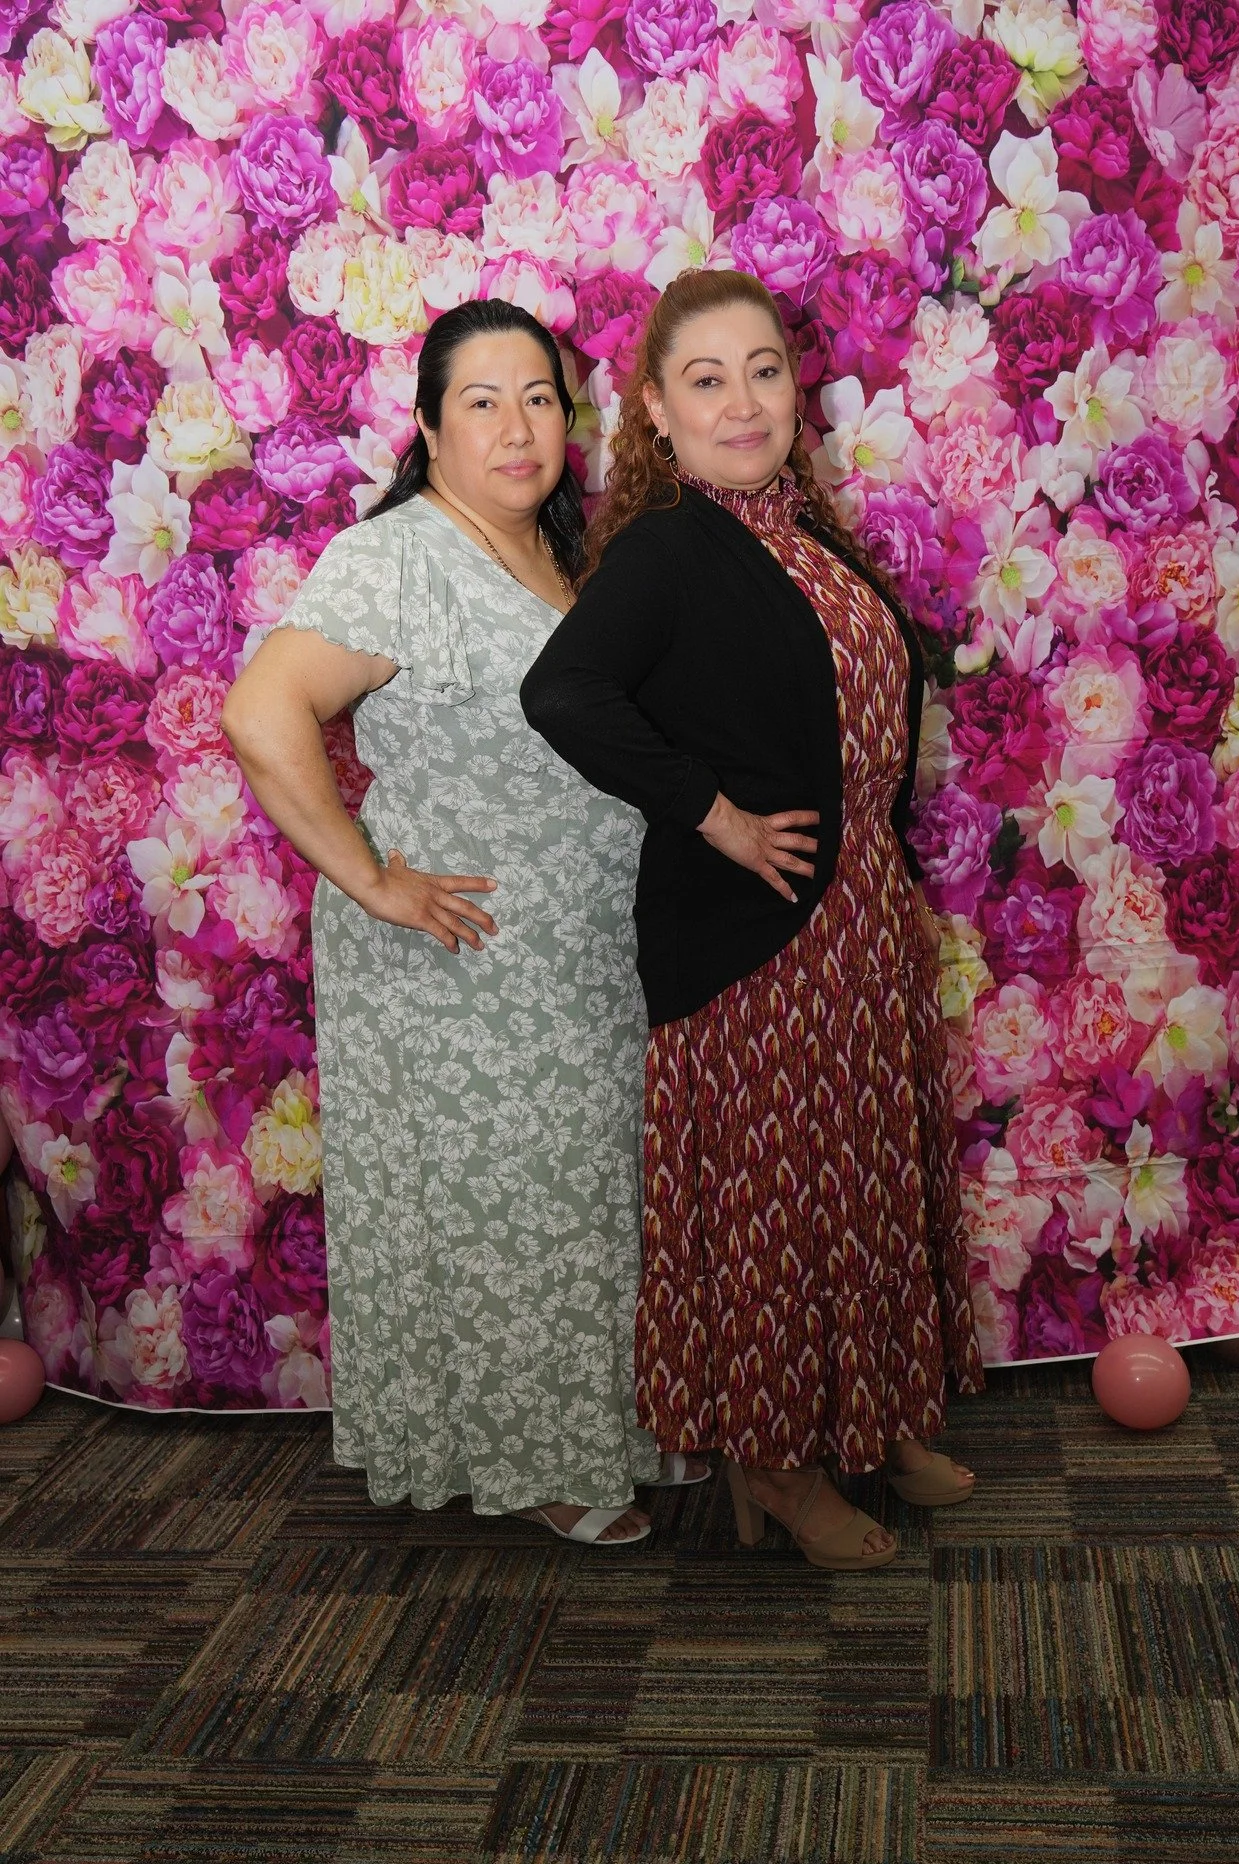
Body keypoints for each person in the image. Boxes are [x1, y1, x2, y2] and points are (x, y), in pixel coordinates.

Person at [222, 301, 706, 1545]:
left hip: (588, 952)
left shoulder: (573, 554)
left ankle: (613, 1425)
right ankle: (539, 1458)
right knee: (514, 1207)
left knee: (594, 1199)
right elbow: (262, 715)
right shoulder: (398, 557)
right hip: (462, 963)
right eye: (481, 400)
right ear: (429, 428)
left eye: (538, 396)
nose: (515, 425)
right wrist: (374, 877)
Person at [521, 271, 983, 1571]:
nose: (743, 401)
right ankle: (772, 1467)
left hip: (852, 926)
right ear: (656, 415)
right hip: (751, 939)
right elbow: (563, 694)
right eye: (706, 380)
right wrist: (709, 813)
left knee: (865, 1185)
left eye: (764, 370)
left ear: (796, 389)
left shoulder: (808, 539)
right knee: (777, 1205)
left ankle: (873, 1415)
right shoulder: (671, 549)